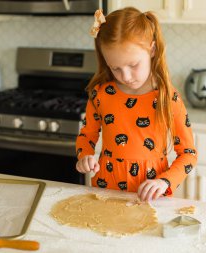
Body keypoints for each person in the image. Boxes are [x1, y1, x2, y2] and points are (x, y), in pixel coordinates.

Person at [75, 7, 197, 202]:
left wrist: (164, 182)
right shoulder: (100, 94)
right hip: (106, 190)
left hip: (152, 194)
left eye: (133, 65)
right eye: (115, 68)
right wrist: (85, 157)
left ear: (152, 50)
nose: (126, 76)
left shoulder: (167, 97)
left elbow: (189, 154)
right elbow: (86, 135)